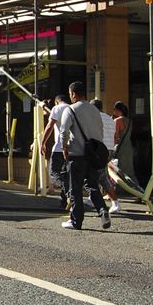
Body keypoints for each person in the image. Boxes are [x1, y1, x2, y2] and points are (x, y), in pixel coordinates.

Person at [59, 81, 110, 231]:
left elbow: (64, 131)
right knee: (92, 185)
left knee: (75, 189)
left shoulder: (71, 110)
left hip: (77, 154)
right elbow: (99, 132)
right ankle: (103, 210)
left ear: (73, 94)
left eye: (70, 94)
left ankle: (76, 221)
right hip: (92, 155)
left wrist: (64, 148)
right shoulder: (95, 110)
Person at [40, 94, 71, 210]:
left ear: (56, 102)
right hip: (71, 148)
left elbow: (49, 126)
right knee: (66, 174)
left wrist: (42, 142)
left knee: (54, 173)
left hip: (59, 148)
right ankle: (64, 202)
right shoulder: (72, 108)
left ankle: (69, 193)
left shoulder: (56, 108)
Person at [92, 99, 120, 214]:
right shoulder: (109, 118)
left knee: (100, 177)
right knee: (99, 176)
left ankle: (115, 202)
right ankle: (94, 199)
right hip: (109, 149)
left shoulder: (95, 117)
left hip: (99, 149)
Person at [112, 101, 139, 195]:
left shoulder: (117, 121)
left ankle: (119, 191)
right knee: (130, 171)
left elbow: (115, 136)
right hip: (128, 146)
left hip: (121, 148)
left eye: (114, 109)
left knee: (119, 171)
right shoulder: (129, 121)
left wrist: (112, 148)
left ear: (117, 110)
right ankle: (137, 191)